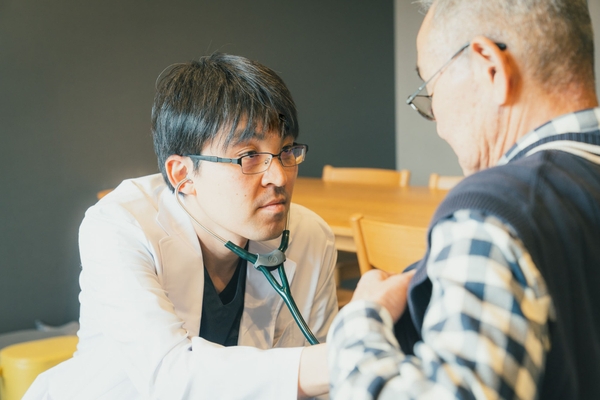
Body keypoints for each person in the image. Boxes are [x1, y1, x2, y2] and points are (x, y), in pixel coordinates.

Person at [328, 0, 600, 398]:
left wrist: (360, 319)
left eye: (430, 90)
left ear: (490, 67)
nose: (437, 124)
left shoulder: (491, 213)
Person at [24, 53, 337, 399]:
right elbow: (171, 377)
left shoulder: (311, 237)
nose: (278, 176)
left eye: (287, 151)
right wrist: (345, 356)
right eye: (249, 156)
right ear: (183, 175)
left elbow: (323, 389)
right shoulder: (118, 228)